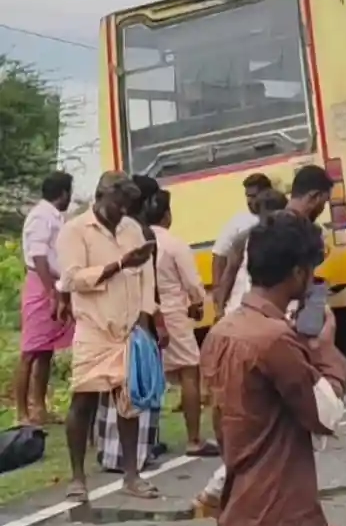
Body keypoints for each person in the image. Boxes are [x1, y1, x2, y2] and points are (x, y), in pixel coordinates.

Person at [200, 211, 346, 526]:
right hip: (281, 513)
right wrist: (328, 356)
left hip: (240, 509)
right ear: (298, 272)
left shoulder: (220, 332)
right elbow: (324, 415)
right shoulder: (275, 339)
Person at [56, 171, 162, 500]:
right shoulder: (75, 230)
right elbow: (72, 279)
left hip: (128, 328)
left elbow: (146, 276)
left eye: (127, 206)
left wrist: (145, 318)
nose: (123, 212)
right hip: (94, 329)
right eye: (118, 205)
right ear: (100, 197)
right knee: (83, 400)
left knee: (128, 403)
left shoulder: (132, 228)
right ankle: (77, 478)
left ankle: (132, 475)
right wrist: (118, 265)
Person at [143, 189, 218, 457]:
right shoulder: (174, 244)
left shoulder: (138, 241)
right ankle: (194, 439)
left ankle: (148, 439)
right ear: (167, 215)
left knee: (148, 375)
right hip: (173, 314)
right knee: (189, 372)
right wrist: (198, 303)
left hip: (144, 313)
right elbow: (193, 283)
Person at [215, 166, 333, 315]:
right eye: (324, 202)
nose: (322, 208)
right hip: (276, 314)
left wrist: (220, 312)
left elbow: (229, 271)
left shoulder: (251, 233)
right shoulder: (308, 234)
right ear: (315, 197)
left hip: (247, 311)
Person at [14, 171, 74, 426]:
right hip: (42, 285)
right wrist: (50, 292)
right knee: (30, 351)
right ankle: (21, 413)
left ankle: (39, 408)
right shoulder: (41, 216)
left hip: (53, 283)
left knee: (45, 351)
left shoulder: (54, 216)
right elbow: (38, 256)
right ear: (63, 193)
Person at [211, 173, 273, 318]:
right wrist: (218, 295)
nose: (250, 201)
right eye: (247, 196)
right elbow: (220, 256)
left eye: (254, 196)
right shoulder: (238, 223)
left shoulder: (281, 220)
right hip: (239, 303)